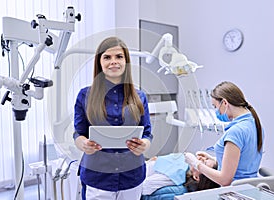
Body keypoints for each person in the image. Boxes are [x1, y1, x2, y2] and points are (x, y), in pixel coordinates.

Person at [73, 36, 152, 200]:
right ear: (99, 62)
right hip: (97, 178)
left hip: (131, 177)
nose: (113, 61)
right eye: (107, 57)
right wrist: (83, 144)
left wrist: (144, 144)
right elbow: (78, 133)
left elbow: (147, 133)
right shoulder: (85, 95)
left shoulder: (140, 96)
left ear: (126, 61)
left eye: (119, 57)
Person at [185, 81, 264, 186]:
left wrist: (196, 164)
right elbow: (243, 162)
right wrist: (215, 159)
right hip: (250, 188)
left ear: (225, 103)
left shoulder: (236, 132)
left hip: (236, 191)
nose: (216, 111)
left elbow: (225, 180)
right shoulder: (255, 124)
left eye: (215, 106)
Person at [141, 153, 220, 200]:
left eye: (203, 162)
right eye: (206, 157)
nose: (201, 158)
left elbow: (143, 187)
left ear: (197, 177)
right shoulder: (183, 165)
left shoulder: (175, 179)